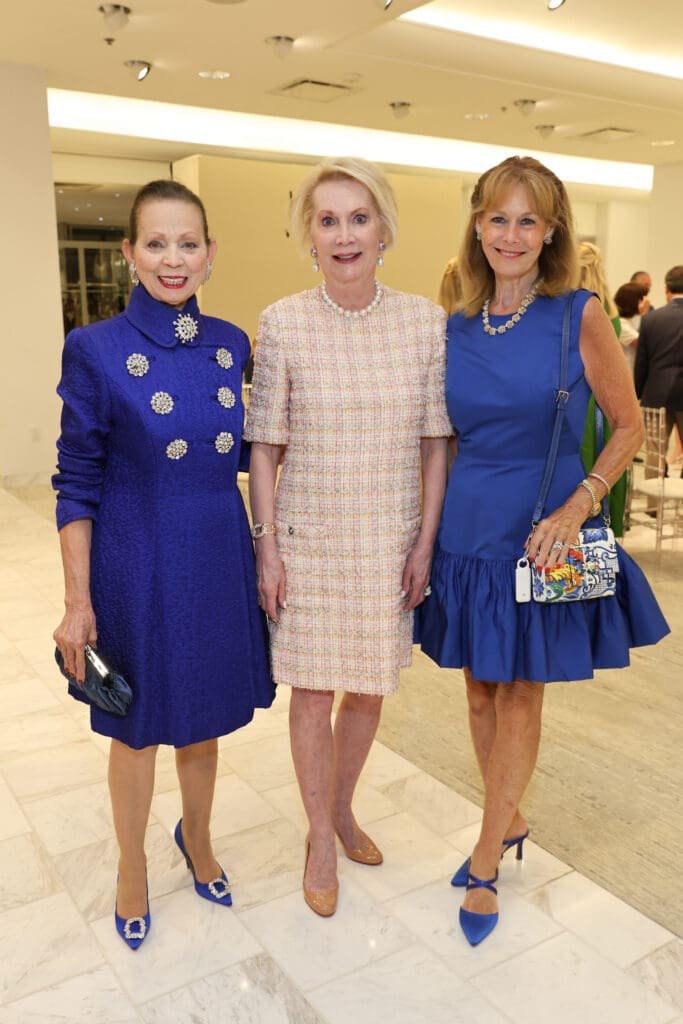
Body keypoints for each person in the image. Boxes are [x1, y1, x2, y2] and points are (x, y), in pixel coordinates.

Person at [416, 155, 669, 947]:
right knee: (478, 690)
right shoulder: (450, 321)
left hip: (547, 530)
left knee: (521, 690)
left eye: (528, 219)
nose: (510, 234)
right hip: (469, 528)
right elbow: (445, 438)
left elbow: (627, 425)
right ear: (476, 225)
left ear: (552, 229)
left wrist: (580, 502)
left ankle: (487, 856)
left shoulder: (579, 314)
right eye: (497, 217)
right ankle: (510, 812)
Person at [52, 179, 274, 951]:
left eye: (188, 243)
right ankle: (129, 866)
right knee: (138, 728)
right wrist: (78, 601)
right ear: (129, 254)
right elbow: (75, 482)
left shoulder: (230, 342)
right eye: (155, 243)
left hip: (215, 554)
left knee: (204, 720)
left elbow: (252, 449)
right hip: (135, 559)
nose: (172, 259)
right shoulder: (95, 349)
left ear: (209, 254)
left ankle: (199, 839)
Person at [244, 157, 451, 917]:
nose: (343, 234)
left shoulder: (424, 322)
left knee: (367, 688)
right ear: (308, 236)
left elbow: (436, 442)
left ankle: (340, 807)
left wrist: (424, 543)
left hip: (388, 538)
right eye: (326, 220)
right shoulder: (283, 320)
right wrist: (266, 546)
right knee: (312, 688)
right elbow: (263, 444)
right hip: (308, 537)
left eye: (358, 218)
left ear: (385, 229)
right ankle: (319, 840)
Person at [577, 241, 627, 535]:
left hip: (583, 403)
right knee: (606, 464)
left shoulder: (577, 309)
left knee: (581, 464)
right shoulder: (612, 311)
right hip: (607, 405)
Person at [634, 264, 683, 473]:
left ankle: (654, 505)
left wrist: (638, 392)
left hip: (655, 396)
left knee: (654, 457)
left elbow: (641, 362)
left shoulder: (650, 319)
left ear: (666, 289)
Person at [614, 281, 649, 373]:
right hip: (626, 373)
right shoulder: (621, 324)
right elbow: (644, 344)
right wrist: (645, 313)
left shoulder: (629, 321)